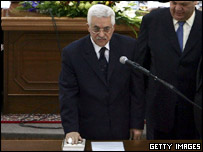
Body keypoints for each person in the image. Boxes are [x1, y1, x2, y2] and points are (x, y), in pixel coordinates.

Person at [59, 4, 144, 143]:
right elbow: (68, 94)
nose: (101, 34)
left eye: (106, 29)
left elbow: (137, 90)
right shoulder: (72, 53)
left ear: (113, 27)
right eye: (96, 29)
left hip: (121, 125)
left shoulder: (130, 47)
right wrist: (71, 128)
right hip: (87, 127)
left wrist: (137, 124)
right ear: (88, 27)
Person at [136, 1, 202, 139]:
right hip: (159, 113)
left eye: (184, 4)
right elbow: (140, 67)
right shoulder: (152, 21)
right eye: (174, 3)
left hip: (195, 116)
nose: (178, 8)